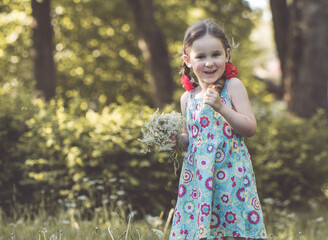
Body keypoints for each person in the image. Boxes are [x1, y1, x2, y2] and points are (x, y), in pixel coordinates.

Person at [169, 19, 268, 240]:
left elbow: (250, 128)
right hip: (200, 178)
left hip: (231, 175)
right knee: (204, 231)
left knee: (233, 230)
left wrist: (222, 108)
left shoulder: (233, 86)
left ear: (227, 55)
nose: (209, 63)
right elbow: (192, 139)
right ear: (188, 61)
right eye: (201, 57)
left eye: (216, 54)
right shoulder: (187, 98)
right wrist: (179, 140)